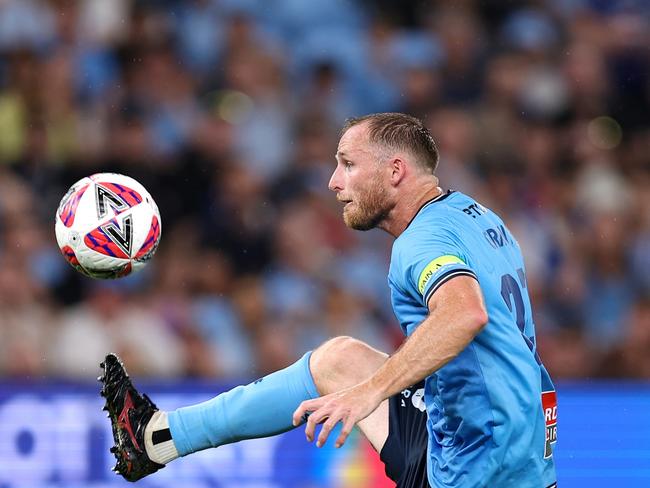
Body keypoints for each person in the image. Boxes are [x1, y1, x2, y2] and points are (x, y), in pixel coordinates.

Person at [100, 113, 558, 487]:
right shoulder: (475, 215)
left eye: (347, 164)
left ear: (395, 171)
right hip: (514, 434)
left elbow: (464, 313)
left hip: (478, 468)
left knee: (354, 376)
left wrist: (369, 393)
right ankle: (157, 438)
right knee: (339, 359)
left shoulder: (420, 242)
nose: (334, 182)